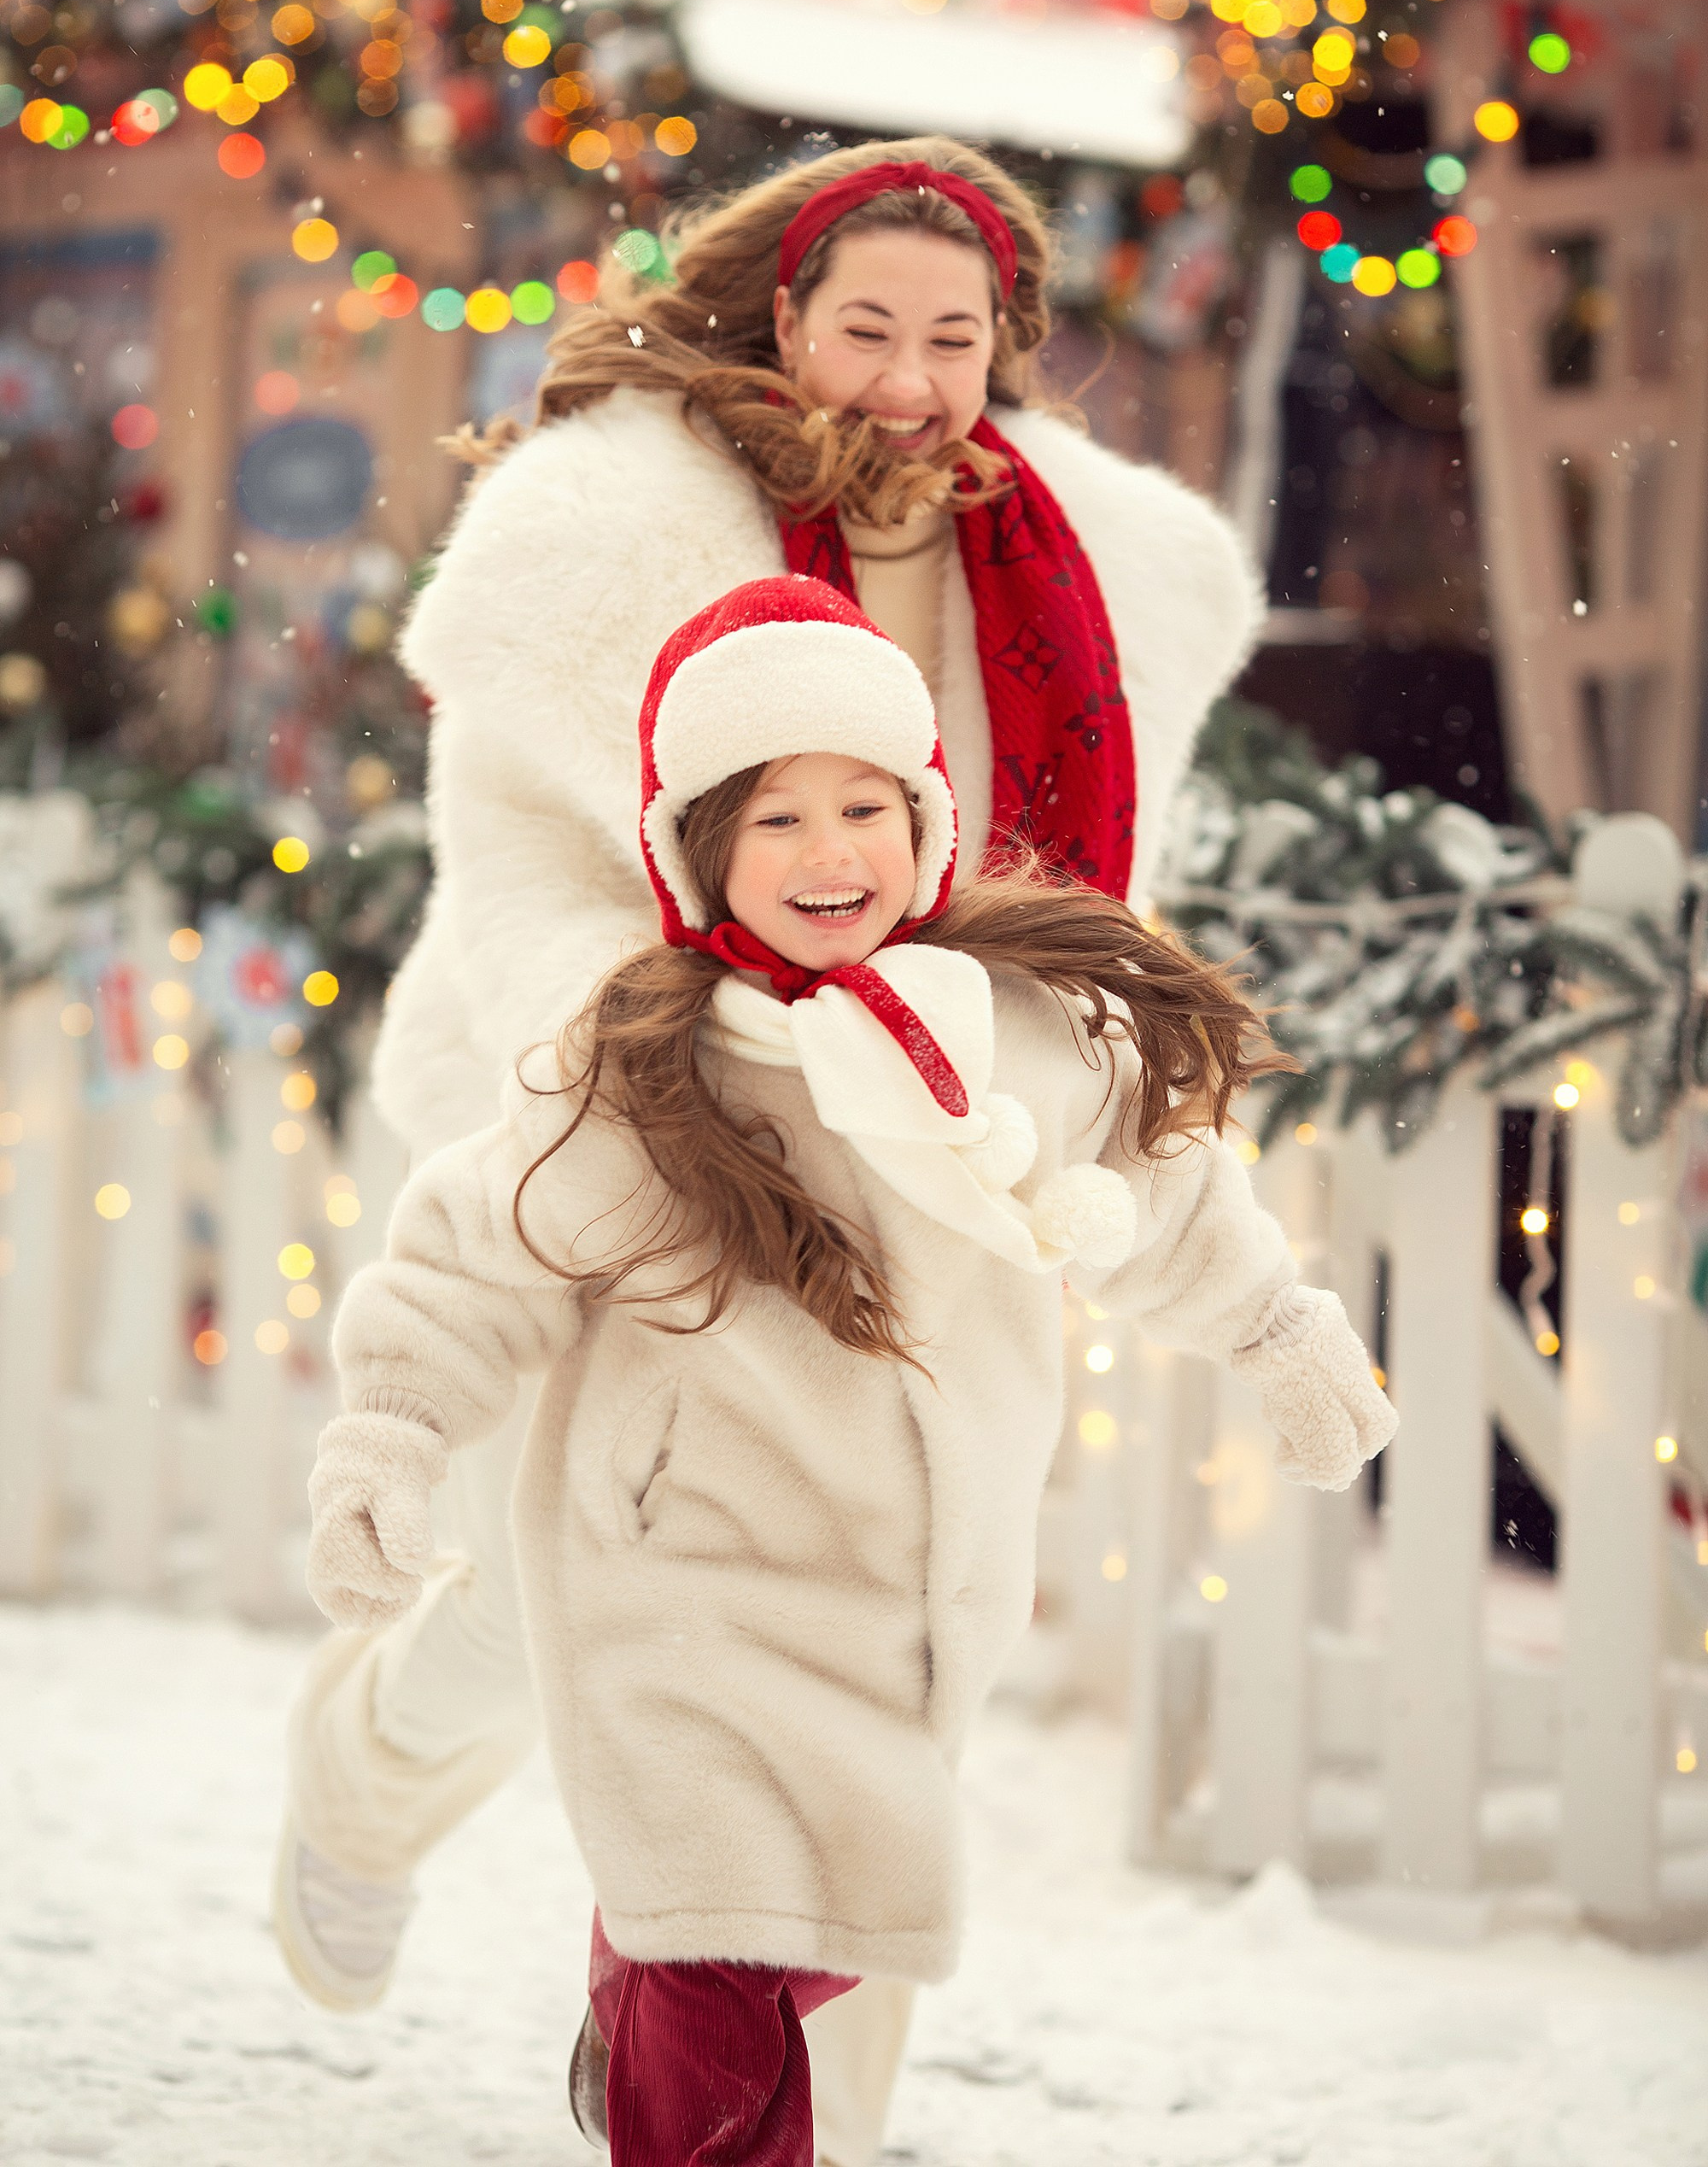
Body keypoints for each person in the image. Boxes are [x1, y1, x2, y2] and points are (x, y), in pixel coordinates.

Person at [273, 137, 1267, 2163]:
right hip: (652, 1110)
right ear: (783, 319)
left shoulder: (1079, 572)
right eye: (866, 328)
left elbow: (1060, 880)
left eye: (954, 338)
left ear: (1006, 347)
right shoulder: (607, 539)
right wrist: (670, 1064)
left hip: (923, 1136)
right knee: (565, 1597)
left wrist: (1029, 1076)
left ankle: (826, 2116)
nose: (908, 379)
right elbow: (519, 866)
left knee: (887, 1636)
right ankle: (362, 1786)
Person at [303, 578, 1395, 2167]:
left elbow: (1161, 1195)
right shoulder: (652, 1071)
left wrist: (1278, 1328)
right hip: (677, 1586)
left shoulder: (1020, 1037)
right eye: (779, 818)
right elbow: (479, 1250)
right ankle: (669, 2021)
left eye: (865, 807)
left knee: (814, 1921)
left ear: (926, 822)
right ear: (702, 855)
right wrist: (393, 1433)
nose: (831, 851)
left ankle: (639, 1984)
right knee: (718, 1955)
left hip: (911, 1603)